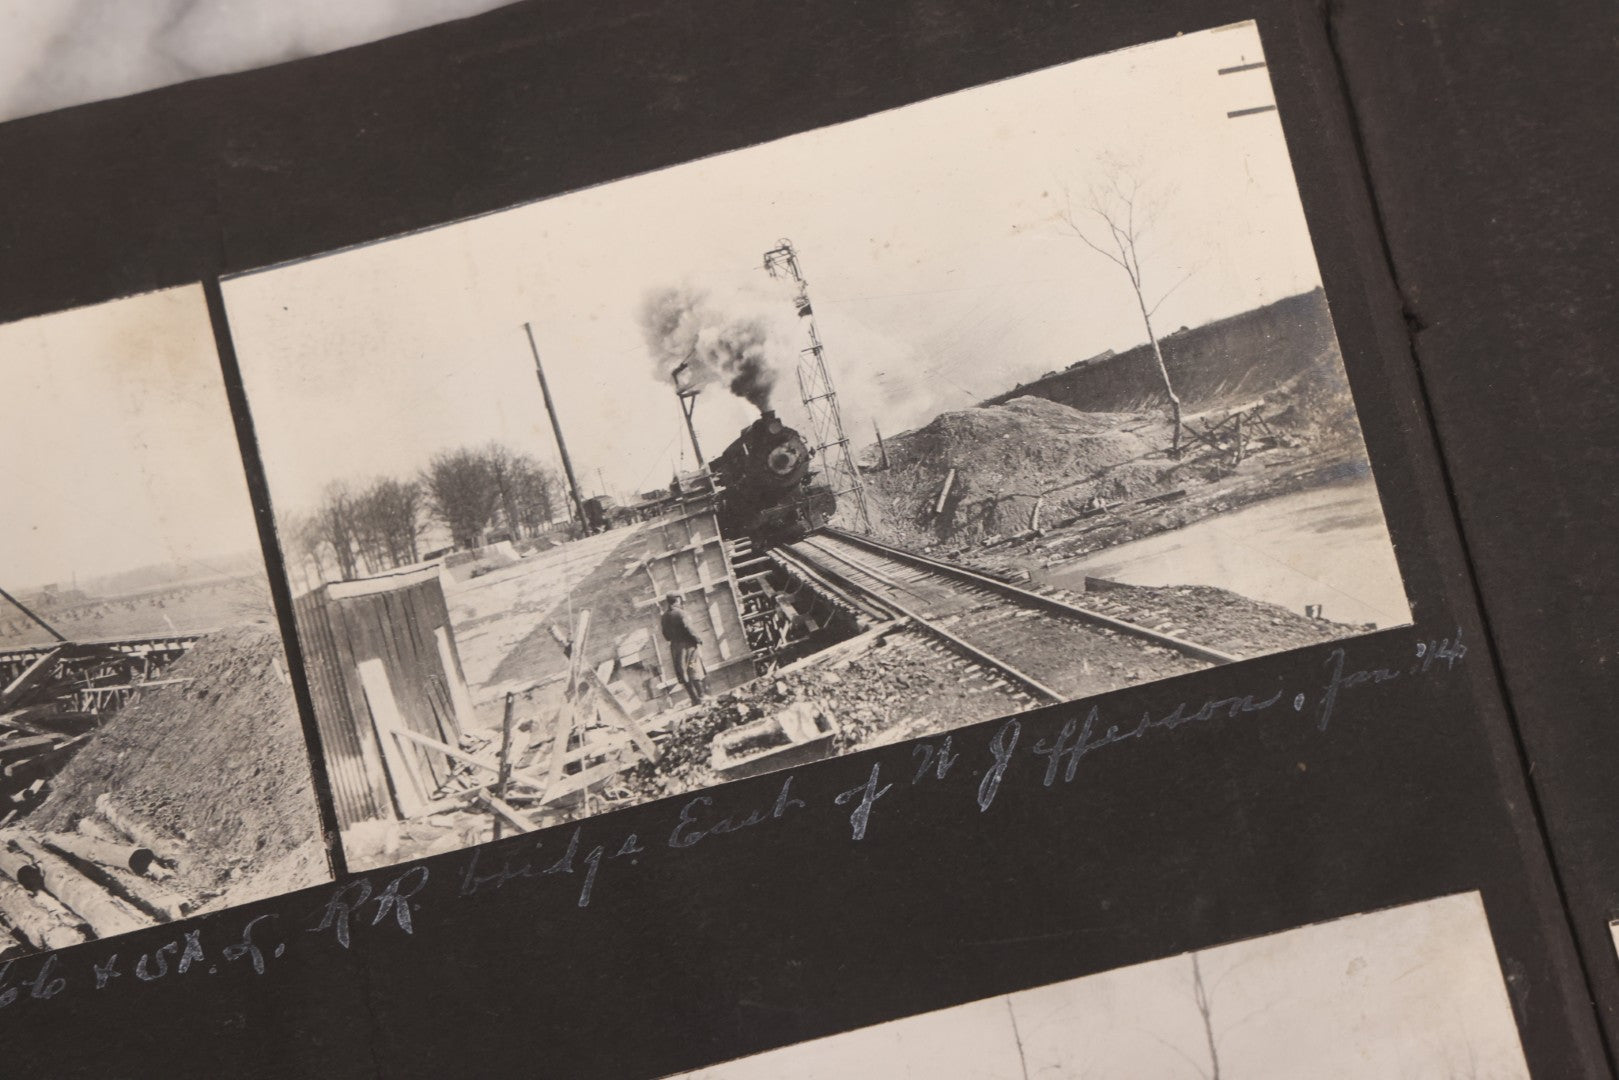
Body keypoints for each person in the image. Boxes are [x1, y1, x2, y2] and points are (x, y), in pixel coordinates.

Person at [659, 592, 707, 706]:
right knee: (693, 668)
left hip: (675, 647)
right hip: (688, 645)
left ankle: (694, 699)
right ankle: (702, 697)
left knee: (682, 672)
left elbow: (665, 635)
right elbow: (689, 628)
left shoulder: (664, 617)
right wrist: (698, 639)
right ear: (677, 600)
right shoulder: (681, 613)